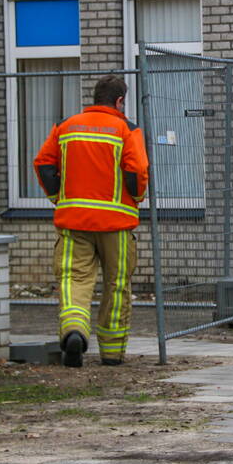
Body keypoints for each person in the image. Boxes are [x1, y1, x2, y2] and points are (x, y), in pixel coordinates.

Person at [33, 75, 150, 368]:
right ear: (120, 101)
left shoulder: (66, 127)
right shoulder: (127, 129)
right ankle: (111, 353)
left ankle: (74, 330)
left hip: (74, 222)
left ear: (95, 97)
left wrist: (58, 197)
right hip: (117, 225)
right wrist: (135, 198)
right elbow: (137, 171)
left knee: (74, 279)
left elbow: (43, 163)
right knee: (117, 284)